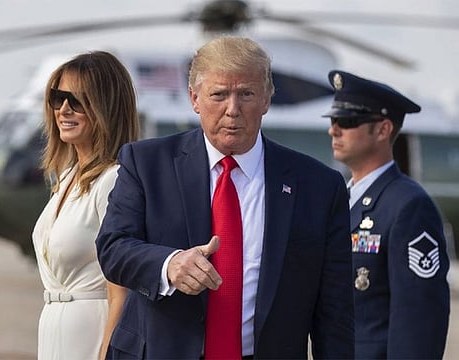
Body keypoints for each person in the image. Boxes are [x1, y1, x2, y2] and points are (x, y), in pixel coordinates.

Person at [96, 36, 354, 359]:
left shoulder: (318, 186)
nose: (233, 110)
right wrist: (168, 265)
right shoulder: (146, 164)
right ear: (194, 98)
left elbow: (335, 312)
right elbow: (112, 247)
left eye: (246, 94)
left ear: (266, 100)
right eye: (219, 95)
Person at [323, 69, 450, 359]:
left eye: (347, 121)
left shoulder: (408, 206)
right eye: (333, 120)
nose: (334, 130)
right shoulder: (343, 199)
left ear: (382, 130)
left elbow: (419, 318)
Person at [32, 50, 139, 360]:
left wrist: (109, 353)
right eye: (57, 97)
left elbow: (121, 288)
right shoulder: (66, 178)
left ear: (106, 107)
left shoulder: (113, 180)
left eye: (77, 100)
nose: (64, 109)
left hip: (92, 331)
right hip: (54, 328)